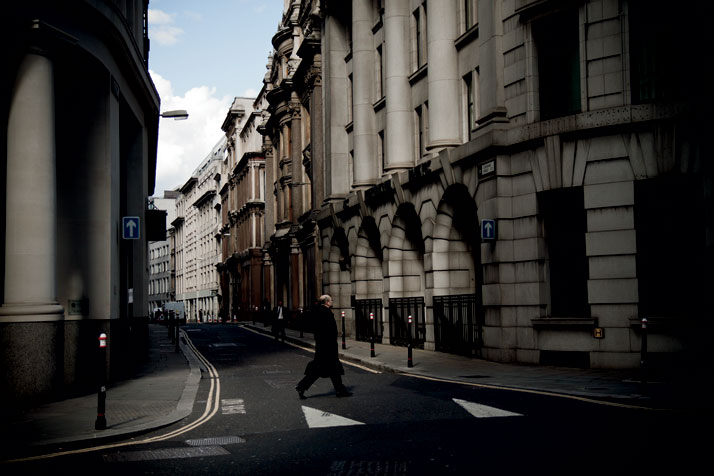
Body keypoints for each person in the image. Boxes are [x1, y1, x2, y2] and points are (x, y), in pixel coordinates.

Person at [295, 295, 351, 399]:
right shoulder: (325, 313)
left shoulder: (319, 311)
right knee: (322, 369)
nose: (332, 301)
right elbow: (328, 330)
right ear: (327, 302)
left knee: (332, 369)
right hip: (327, 346)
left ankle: (339, 390)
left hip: (323, 346)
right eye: (331, 300)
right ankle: (302, 386)